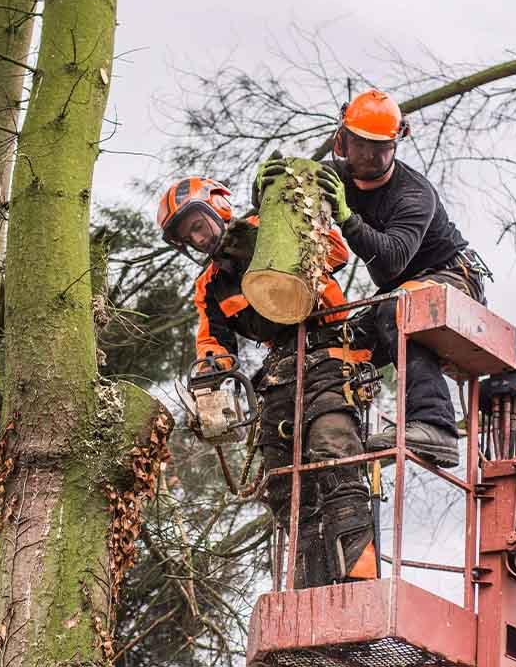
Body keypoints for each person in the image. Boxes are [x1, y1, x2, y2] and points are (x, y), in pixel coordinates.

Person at [157, 176, 377, 587]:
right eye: (190, 236)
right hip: (278, 371)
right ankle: (309, 588)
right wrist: (209, 374)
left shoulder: (268, 226)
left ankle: (360, 580)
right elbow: (214, 341)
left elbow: (336, 251)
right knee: (283, 484)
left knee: (334, 452)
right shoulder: (210, 286)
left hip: (328, 349)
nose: (199, 238)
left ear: (218, 209)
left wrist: (291, 229)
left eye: (199, 226)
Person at [257, 89, 491, 468]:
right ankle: (336, 443)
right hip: (399, 291)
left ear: (396, 144)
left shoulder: (413, 194)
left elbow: (389, 266)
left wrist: (348, 218)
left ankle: (436, 427)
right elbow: (290, 210)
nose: (367, 154)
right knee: (331, 341)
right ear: (343, 139)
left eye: (378, 147)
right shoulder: (334, 175)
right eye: (359, 143)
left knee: (397, 309)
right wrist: (268, 191)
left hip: (451, 276)